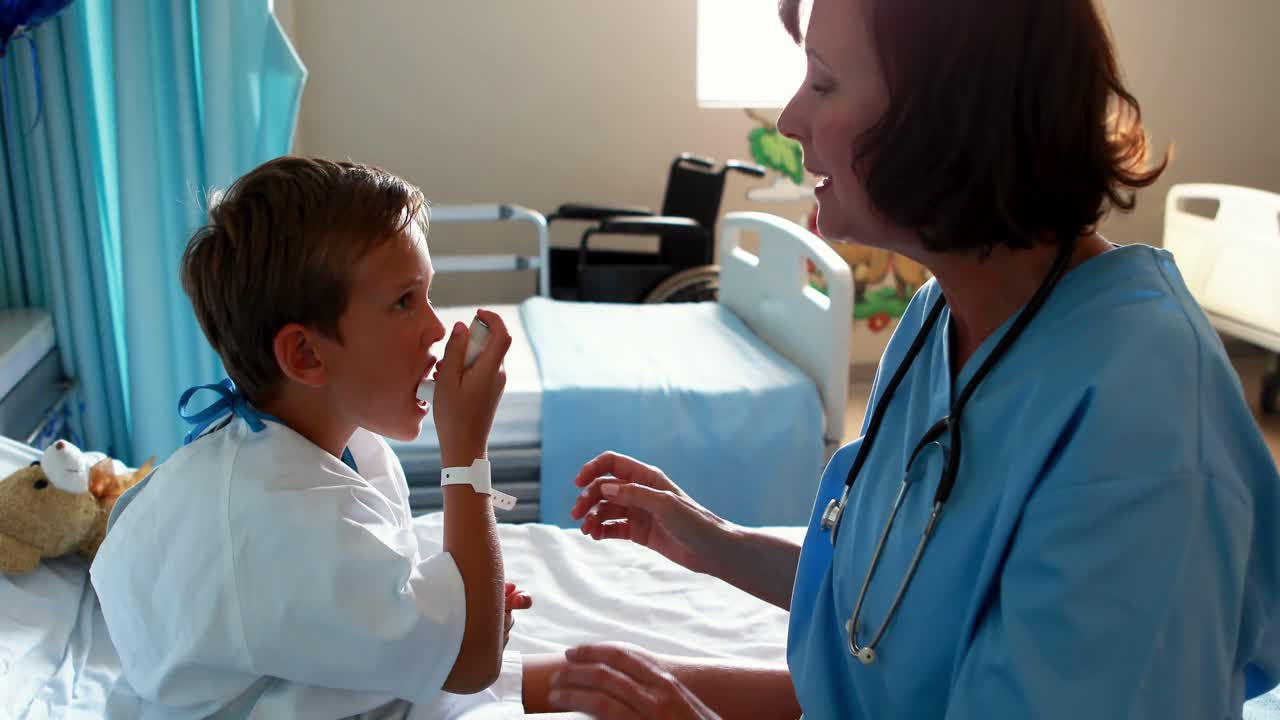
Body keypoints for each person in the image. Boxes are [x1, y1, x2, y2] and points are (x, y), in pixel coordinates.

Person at [547, 0, 1280, 717]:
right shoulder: (941, 315)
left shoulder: (1140, 428)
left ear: (954, 115)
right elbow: (892, 601)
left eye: (825, 83)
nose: (790, 119)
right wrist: (716, 543)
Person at [89, 157, 535, 718]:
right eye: (403, 301)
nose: (436, 328)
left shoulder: (331, 445)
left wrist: (475, 619)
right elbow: (471, 666)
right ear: (305, 354)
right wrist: (467, 452)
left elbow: (393, 614)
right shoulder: (282, 518)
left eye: (427, 294)